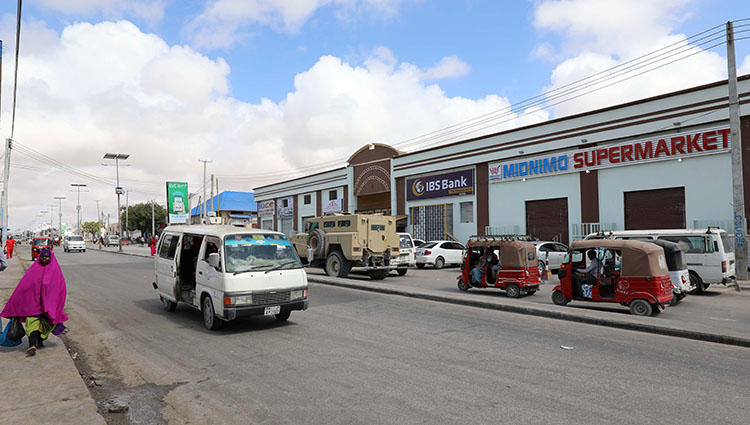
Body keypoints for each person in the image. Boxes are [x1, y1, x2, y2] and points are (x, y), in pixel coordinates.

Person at [0, 249, 68, 356]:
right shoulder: (34, 270)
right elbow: (23, 287)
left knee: (44, 325)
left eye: (46, 257)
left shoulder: (55, 271)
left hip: (48, 306)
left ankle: (39, 342)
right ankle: (32, 345)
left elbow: (60, 289)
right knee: (32, 324)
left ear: (51, 258)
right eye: (42, 256)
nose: (44, 259)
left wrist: (54, 304)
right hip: (33, 305)